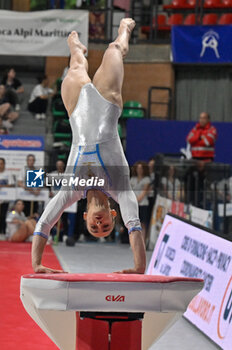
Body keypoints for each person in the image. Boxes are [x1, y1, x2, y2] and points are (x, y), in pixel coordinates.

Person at [32, 18, 146, 274]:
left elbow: (45, 222)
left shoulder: (71, 191)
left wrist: (37, 264)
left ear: (84, 217)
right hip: (108, 101)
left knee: (76, 65)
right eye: (105, 227)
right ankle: (125, 30)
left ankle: (77, 49)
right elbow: (135, 226)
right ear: (112, 216)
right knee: (115, 49)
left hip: (76, 108)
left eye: (94, 228)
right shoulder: (121, 191)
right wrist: (139, 268)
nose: (99, 225)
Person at [130, 161, 150, 243]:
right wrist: (133, 201)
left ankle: (143, 242)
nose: (139, 170)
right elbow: (130, 191)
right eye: (138, 168)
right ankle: (133, 242)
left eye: (141, 168)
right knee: (133, 224)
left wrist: (137, 200)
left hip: (143, 203)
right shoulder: (132, 179)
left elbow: (145, 192)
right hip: (133, 203)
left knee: (142, 224)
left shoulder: (147, 179)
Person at [0, 158, 14, 234]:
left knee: (3, 216)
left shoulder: (8, 173)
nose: (0, 165)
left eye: (1, 163)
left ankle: (3, 232)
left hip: (5, 199)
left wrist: (3, 186)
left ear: (4, 164)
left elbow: (11, 184)